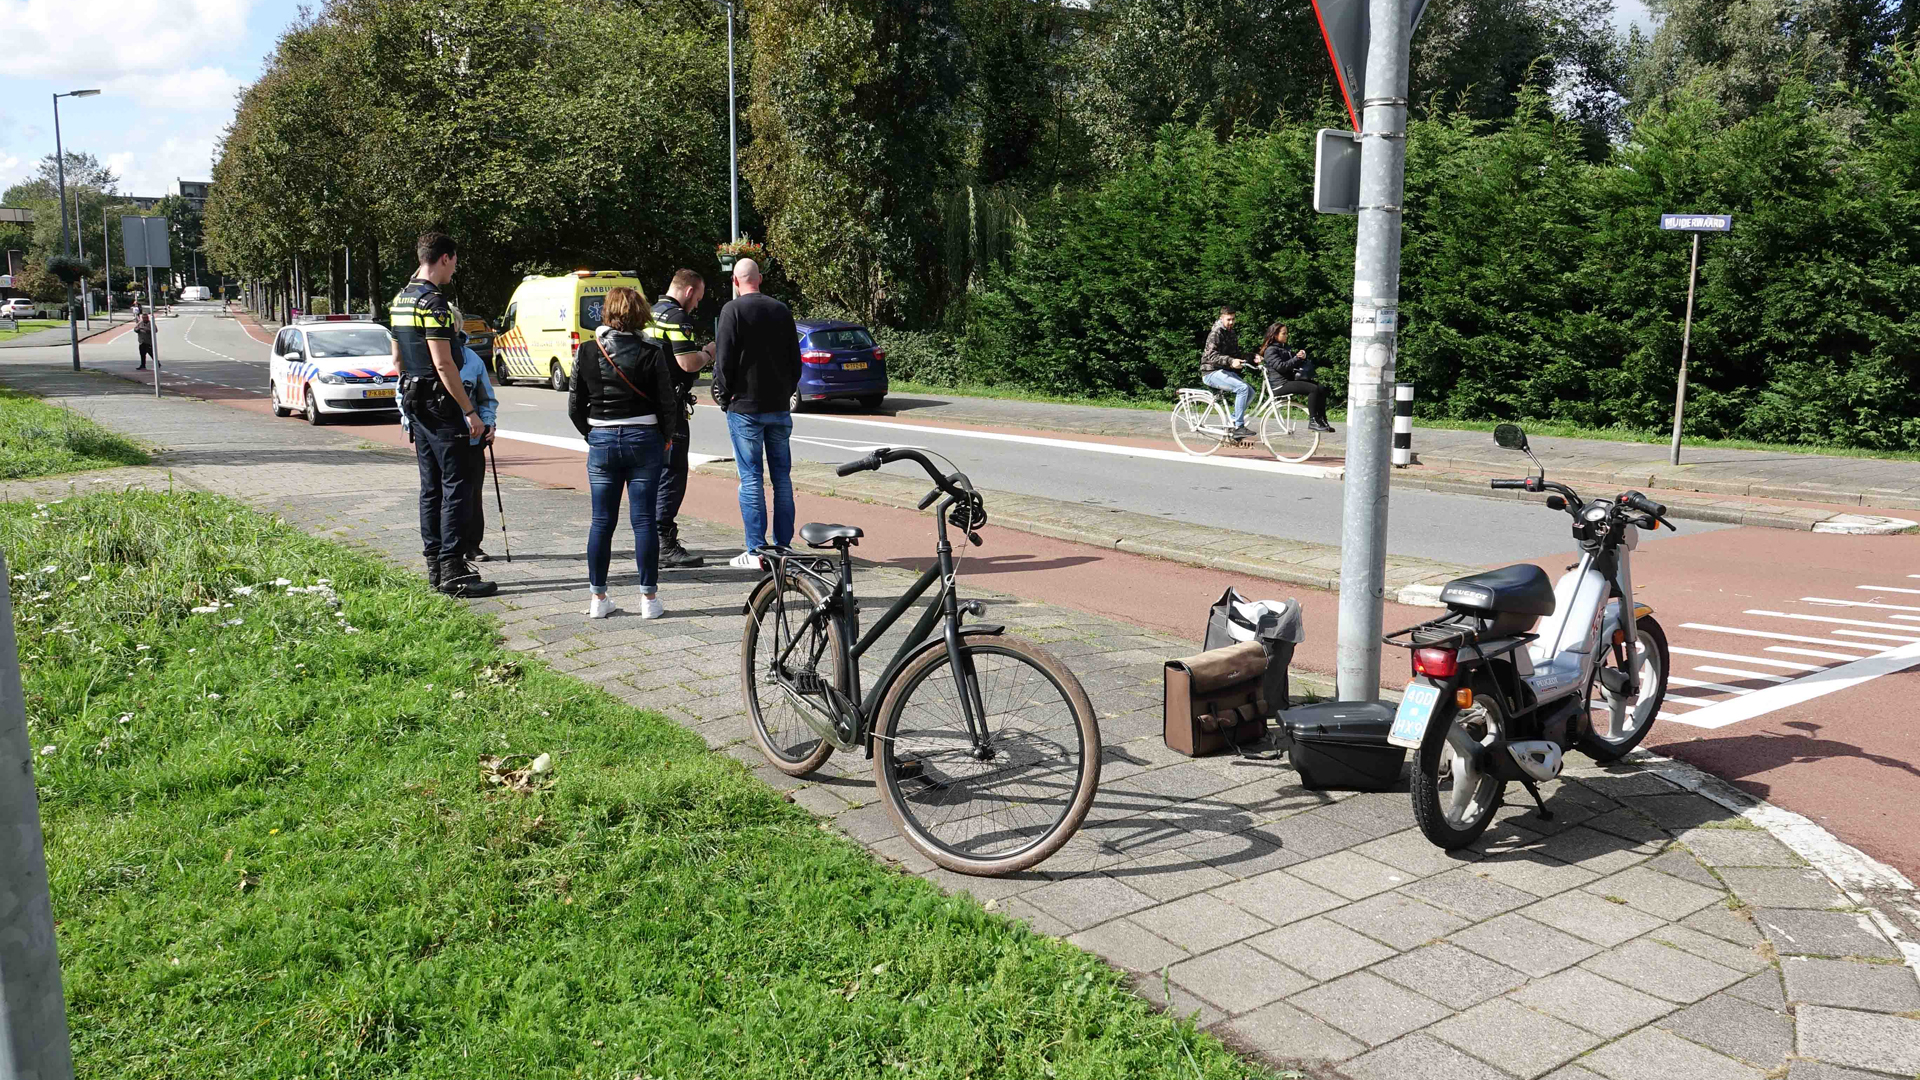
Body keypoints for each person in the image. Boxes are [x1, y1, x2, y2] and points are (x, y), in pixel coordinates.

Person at [391, 230, 497, 598]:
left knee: (430, 486)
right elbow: (444, 362)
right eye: (455, 261)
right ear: (445, 258)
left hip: (414, 398)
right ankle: (453, 568)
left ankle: (435, 565)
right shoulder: (433, 303)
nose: (455, 269)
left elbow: (397, 360)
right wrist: (469, 411)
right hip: (441, 402)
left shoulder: (401, 298)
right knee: (457, 486)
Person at [568, 285, 678, 620]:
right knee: (643, 520)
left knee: (601, 521)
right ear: (640, 313)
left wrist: (592, 434)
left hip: (601, 439)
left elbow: (575, 406)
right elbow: (666, 403)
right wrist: (666, 437)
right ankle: (649, 600)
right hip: (644, 438)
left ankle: (598, 599)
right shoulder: (652, 350)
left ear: (607, 312)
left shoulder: (587, 351)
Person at [711, 258, 801, 568]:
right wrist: (784, 391)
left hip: (744, 407)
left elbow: (723, 362)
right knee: (782, 479)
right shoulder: (781, 311)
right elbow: (795, 362)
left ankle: (756, 550)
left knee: (751, 478)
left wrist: (725, 397)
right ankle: (784, 545)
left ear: (735, 282)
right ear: (759, 279)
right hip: (778, 406)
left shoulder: (731, 311)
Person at [398, 306, 499, 560]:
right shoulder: (423, 360)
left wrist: (488, 423)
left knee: (471, 492)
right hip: (436, 435)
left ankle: (472, 545)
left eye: (451, 325)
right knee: (436, 491)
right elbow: (403, 392)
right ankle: (441, 551)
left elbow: (486, 397)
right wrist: (411, 422)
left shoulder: (472, 359)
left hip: (471, 437)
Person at [644, 269, 717, 569]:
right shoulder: (677, 318)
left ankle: (650, 539)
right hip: (670, 408)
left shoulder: (651, 314)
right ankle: (665, 543)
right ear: (688, 292)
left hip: (648, 404)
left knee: (654, 473)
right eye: (697, 298)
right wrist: (708, 353)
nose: (697, 305)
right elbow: (687, 363)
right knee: (673, 473)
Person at [1258, 322, 1334, 433]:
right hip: (1280, 385)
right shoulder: (1270, 350)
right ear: (1275, 335)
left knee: (1321, 388)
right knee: (1313, 389)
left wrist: (1301, 356)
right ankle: (1313, 421)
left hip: (1288, 381)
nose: (1286, 336)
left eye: (1286, 333)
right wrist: (1297, 358)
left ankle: (1322, 420)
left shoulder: (1284, 348)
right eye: (1284, 333)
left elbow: (1293, 362)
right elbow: (1281, 367)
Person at [1200, 307, 1254, 438]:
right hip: (1210, 372)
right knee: (1242, 388)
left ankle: (1234, 419)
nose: (1231, 322)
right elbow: (1211, 356)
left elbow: (1236, 354)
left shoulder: (1231, 333)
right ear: (1221, 318)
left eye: (1233, 319)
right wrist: (1231, 361)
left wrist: (1253, 357)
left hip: (1223, 371)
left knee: (1251, 392)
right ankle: (1238, 426)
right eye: (1228, 319)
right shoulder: (1216, 333)